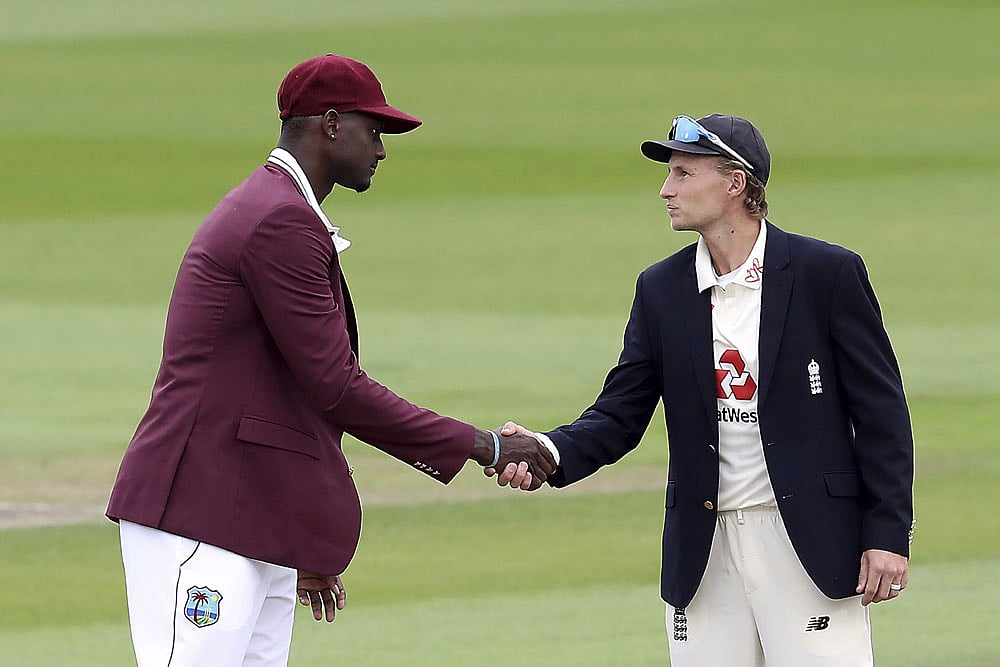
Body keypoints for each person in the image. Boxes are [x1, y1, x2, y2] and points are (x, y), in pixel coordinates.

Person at [106, 53, 555, 666]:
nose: (382, 150)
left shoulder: (279, 209)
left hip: (247, 518)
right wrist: (488, 446)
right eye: (375, 131)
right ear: (333, 124)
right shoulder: (279, 222)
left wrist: (299, 528)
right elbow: (336, 388)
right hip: (200, 514)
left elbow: (281, 399)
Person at [493, 114, 914, 666]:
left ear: (736, 183)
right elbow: (620, 413)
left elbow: (882, 413)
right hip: (705, 548)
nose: (665, 189)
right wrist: (548, 450)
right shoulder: (660, 288)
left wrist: (887, 533)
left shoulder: (826, 274)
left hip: (808, 543)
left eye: (683, 173)